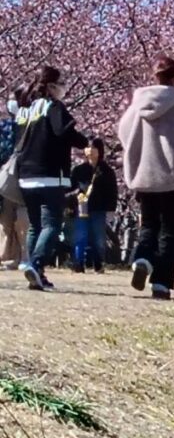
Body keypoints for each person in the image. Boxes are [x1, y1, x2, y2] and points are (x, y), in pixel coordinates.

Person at [120, 56, 174, 300]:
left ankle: (142, 258)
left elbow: (123, 132)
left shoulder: (137, 104)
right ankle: (162, 284)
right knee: (168, 229)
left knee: (148, 224)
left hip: (144, 172)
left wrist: (139, 153)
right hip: (173, 174)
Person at [17, 66, 89, 290]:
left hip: (25, 175)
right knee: (51, 224)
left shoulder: (25, 110)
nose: (63, 88)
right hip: (49, 174)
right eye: (61, 83)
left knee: (35, 226)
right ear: (51, 86)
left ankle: (35, 272)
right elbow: (63, 132)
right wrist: (85, 141)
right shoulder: (52, 106)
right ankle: (36, 264)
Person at [70, 138, 118, 273]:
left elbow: (112, 191)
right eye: (88, 147)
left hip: (99, 208)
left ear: (99, 150)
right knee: (80, 236)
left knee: (99, 238)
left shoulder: (106, 170)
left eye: (93, 147)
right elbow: (71, 188)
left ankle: (98, 263)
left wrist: (111, 209)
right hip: (81, 207)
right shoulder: (78, 170)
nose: (90, 150)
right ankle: (78, 263)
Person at [0, 86, 28, 270]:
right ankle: (5, 256)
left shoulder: (31, 125)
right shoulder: (5, 126)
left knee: (23, 218)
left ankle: (24, 256)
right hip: (6, 176)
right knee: (5, 218)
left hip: (26, 175)